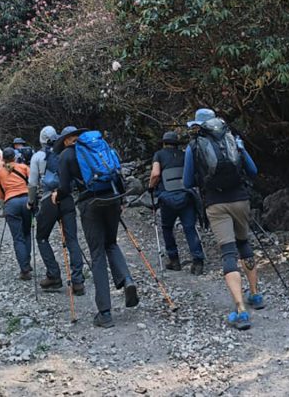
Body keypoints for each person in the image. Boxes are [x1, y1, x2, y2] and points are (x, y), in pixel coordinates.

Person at [183, 108, 262, 330]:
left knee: (228, 252)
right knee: (244, 243)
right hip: (241, 199)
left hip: (216, 204)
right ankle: (255, 295)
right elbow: (253, 170)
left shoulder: (194, 146)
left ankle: (240, 310)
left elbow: (187, 182)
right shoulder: (233, 141)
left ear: (199, 125)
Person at [52, 126, 138, 328]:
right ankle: (126, 280)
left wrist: (58, 195)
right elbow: (116, 172)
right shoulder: (100, 146)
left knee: (97, 253)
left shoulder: (66, 155)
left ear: (66, 140)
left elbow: (65, 187)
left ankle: (105, 313)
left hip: (90, 204)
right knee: (111, 244)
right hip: (113, 198)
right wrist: (121, 201)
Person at [28, 126, 86, 295]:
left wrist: (31, 202)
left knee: (42, 237)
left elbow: (32, 183)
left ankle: (53, 275)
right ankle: (78, 281)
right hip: (67, 198)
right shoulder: (68, 152)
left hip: (49, 200)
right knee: (72, 239)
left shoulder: (38, 156)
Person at [149, 131, 205, 274]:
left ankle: (174, 261)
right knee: (190, 228)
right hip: (186, 196)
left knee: (167, 228)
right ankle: (198, 262)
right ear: (176, 144)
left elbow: (155, 174)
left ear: (164, 143)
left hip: (167, 198)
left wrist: (150, 187)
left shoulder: (159, 154)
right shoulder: (184, 154)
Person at [0, 147, 34, 280]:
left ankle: (24, 269)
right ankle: (27, 262)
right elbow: (33, 183)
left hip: (11, 203)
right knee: (27, 233)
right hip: (26, 200)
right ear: (15, 157)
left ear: (3, 159)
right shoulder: (23, 167)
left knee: (18, 238)